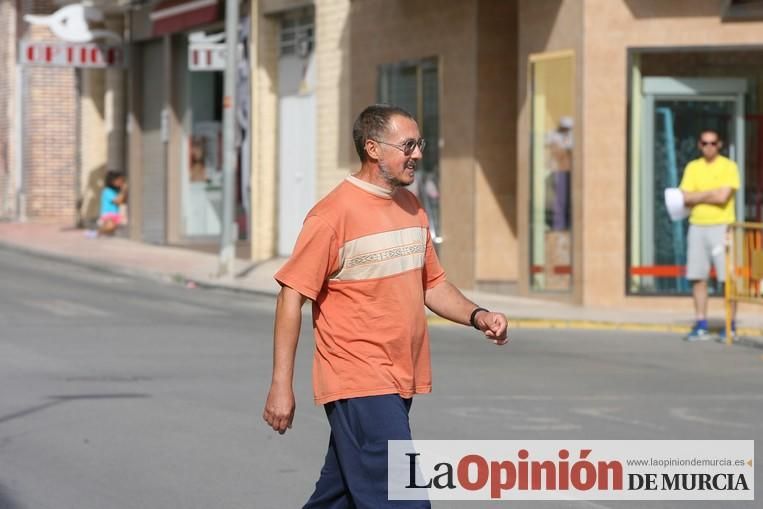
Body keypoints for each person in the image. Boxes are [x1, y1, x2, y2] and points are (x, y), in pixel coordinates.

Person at [262, 104, 509, 508]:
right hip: (358, 379)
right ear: (373, 148)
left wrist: (478, 316)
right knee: (404, 498)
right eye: (408, 145)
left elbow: (433, 284)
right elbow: (292, 297)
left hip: (398, 378)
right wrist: (280, 385)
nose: (418, 153)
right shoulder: (331, 217)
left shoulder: (411, 209)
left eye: (419, 143)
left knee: (339, 494)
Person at [679, 129, 740, 341]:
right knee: (698, 277)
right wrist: (710, 193)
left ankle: (730, 325)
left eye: (713, 143)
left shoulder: (729, 167)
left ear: (720, 144)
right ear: (699, 145)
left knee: (727, 280)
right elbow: (685, 198)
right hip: (697, 226)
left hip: (722, 227)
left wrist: (699, 195)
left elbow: (723, 197)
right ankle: (701, 323)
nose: (709, 147)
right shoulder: (692, 167)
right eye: (704, 143)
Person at [97, 171, 128, 237]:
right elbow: (118, 201)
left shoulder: (116, 191)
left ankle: (105, 232)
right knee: (111, 226)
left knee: (116, 227)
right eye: (119, 180)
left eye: (122, 180)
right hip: (108, 215)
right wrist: (123, 190)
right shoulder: (107, 191)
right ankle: (97, 232)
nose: (121, 182)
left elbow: (123, 201)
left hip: (116, 215)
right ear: (112, 181)